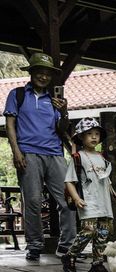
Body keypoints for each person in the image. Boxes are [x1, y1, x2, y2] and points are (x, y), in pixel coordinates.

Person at [3, 52, 77, 261]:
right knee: (33, 201)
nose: (43, 77)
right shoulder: (17, 95)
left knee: (68, 200)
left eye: (47, 74)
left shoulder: (55, 100)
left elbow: (62, 130)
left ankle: (67, 246)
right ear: (32, 73)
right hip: (28, 154)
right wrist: (16, 152)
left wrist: (64, 112)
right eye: (39, 72)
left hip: (54, 154)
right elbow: (10, 125)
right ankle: (35, 245)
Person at [61, 117, 116, 272]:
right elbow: (69, 181)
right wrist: (76, 198)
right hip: (88, 201)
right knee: (88, 230)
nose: (94, 137)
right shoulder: (78, 157)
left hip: (104, 201)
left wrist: (113, 193)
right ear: (81, 137)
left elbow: (105, 178)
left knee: (103, 232)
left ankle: (97, 264)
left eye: (96, 134)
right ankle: (70, 256)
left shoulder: (102, 157)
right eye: (89, 134)